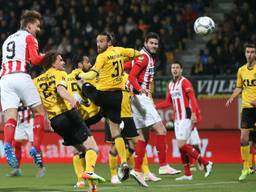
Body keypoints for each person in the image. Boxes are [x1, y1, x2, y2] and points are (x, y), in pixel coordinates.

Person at [33, 52, 105, 192]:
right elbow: (60, 90)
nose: (63, 63)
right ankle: (89, 172)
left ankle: (89, 185)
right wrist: (72, 100)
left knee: (80, 150)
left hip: (56, 121)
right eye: (60, 60)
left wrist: (47, 118)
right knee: (93, 148)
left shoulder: (36, 81)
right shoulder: (60, 73)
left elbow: (38, 103)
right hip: (68, 114)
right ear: (53, 63)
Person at [77, 32, 141, 181]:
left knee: (85, 86)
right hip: (117, 97)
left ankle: (84, 107)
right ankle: (124, 162)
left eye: (101, 41)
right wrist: (135, 66)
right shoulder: (120, 51)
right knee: (116, 132)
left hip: (103, 96)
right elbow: (138, 54)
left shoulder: (102, 56)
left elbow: (92, 75)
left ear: (109, 42)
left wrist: (81, 76)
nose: (98, 44)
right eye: (97, 41)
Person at [124, 32, 180, 187]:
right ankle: (163, 166)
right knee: (161, 130)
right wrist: (140, 90)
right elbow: (131, 77)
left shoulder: (142, 57)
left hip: (135, 100)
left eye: (156, 43)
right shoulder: (144, 57)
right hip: (141, 98)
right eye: (152, 43)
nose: (154, 46)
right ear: (146, 43)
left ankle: (137, 170)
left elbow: (127, 67)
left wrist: (117, 68)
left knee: (143, 137)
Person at [0, 10, 46, 169]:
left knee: (10, 116)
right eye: (37, 26)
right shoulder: (29, 37)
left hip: (5, 79)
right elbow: (35, 60)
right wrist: (47, 56)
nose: (38, 30)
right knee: (39, 112)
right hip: (20, 76)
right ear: (29, 25)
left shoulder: (7, 39)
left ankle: (7, 145)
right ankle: (36, 148)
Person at [156, 62, 213, 180]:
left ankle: (206, 163)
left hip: (185, 117)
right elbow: (168, 102)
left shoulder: (185, 82)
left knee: (181, 144)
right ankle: (188, 174)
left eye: (177, 68)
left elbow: (192, 98)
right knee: (181, 147)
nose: (175, 70)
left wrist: (193, 113)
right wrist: (154, 106)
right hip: (177, 119)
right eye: (173, 67)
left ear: (181, 70)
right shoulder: (171, 84)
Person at [67, 56, 102, 189]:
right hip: (87, 116)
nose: (90, 64)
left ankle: (80, 180)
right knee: (90, 149)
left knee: (77, 150)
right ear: (80, 64)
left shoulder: (67, 77)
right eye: (87, 62)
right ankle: (89, 181)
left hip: (73, 117)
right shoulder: (84, 76)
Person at [226, 43, 256, 181]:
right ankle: (245, 167)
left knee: (254, 141)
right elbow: (239, 87)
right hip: (247, 108)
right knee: (243, 138)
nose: (250, 54)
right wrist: (232, 97)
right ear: (245, 53)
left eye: (252, 52)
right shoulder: (241, 70)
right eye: (248, 52)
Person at [6, 104, 46, 178]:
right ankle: (17, 169)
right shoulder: (14, 96)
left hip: (31, 122)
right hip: (19, 123)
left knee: (35, 145)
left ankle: (41, 168)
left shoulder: (28, 94)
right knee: (16, 144)